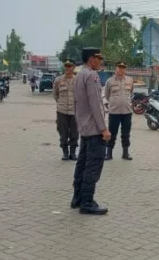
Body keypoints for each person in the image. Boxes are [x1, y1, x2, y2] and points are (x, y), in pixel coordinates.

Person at [71, 47, 110, 215]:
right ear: (91, 60)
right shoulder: (92, 76)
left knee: (82, 164)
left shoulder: (78, 75)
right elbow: (96, 104)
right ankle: (87, 202)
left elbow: (76, 103)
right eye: (98, 58)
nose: (100, 61)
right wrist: (104, 129)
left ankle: (77, 198)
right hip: (94, 129)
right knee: (92, 167)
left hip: (85, 127)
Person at [104, 61, 134, 161]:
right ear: (115, 69)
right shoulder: (110, 81)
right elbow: (107, 95)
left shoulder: (130, 80)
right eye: (119, 67)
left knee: (126, 133)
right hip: (114, 112)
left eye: (123, 68)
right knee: (112, 133)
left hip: (127, 112)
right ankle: (109, 153)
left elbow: (131, 93)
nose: (121, 69)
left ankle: (125, 153)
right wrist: (114, 102)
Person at [53, 60, 79, 161]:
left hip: (74, 111)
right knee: (62, 132)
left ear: (73, 68)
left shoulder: (77, 80)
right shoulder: (58, 80)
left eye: (70, 66)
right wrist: (60, 103)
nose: (68, 68)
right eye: (66, 66)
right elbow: (55, 95)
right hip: (62, 111)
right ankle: (65, 152)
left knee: (74, 133)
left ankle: (72, 153)